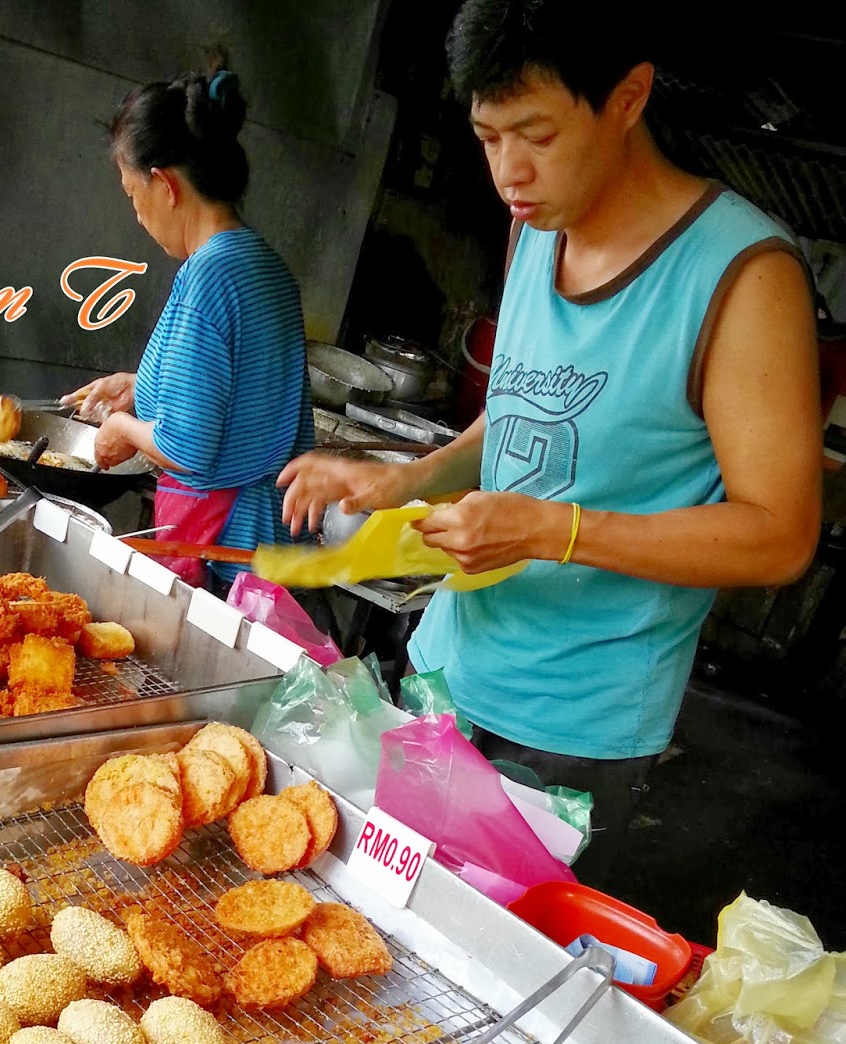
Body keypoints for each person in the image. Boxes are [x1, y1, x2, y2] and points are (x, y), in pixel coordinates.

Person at [276, 0, 822, 888]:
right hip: (446, 669)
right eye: (488, 137)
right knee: (383, 906)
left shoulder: (742, 277)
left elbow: (780, 535)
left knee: (487, 945)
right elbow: (520, 411)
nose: (509, 173)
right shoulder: (534, 227)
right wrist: (405, 478)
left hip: (574, 727)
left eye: (537, 134)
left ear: (629, 97)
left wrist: (550, 530)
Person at [61, 63, 315, 593]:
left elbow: (186, 448)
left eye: (133, 195)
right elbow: (237, 386)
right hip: (268, 544)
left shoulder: (207, 278)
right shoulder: (266, 266)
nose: (137, 216)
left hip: (222, 556)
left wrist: (120, 428)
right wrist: (140, 385)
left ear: (164, 184)